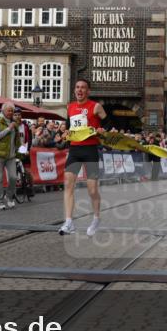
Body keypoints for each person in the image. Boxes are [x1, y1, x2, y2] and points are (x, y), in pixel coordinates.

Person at [59, 78, 107, 236]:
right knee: (68, 185)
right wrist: (65, 133)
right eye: (77, 87)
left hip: (90, 150)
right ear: (74, 90)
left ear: (88, 91)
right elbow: (69, 127)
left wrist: (102, 130)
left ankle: (96, 218)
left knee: (92, 189)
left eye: (83, 88)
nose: (79, 90)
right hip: (75, 150)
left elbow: (108, 123)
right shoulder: (70, 107)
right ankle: (69, 222)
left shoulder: (95, 107)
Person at [0, 103, 21, 210]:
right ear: (3, 111)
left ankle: (9, 197)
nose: (11, 113)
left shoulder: (14, 123)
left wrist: (20, 148)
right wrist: (8, 129)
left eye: (12, 111)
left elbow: (16, 139)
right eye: (9, 111)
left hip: (11, 155)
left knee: (13, 177)